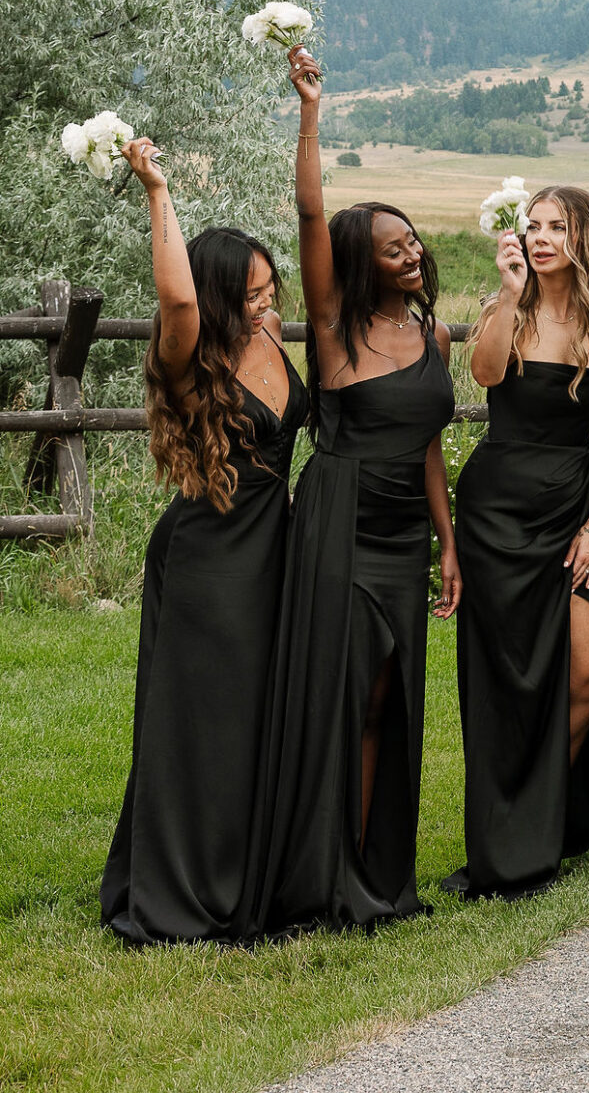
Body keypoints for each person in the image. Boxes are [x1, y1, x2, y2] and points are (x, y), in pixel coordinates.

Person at [246, 47, 459, 935]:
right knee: (332, 700)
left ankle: (373, 869)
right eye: (393, 246)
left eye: (413, 239)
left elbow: (429, 449)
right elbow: (309, 211)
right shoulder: (334, 333)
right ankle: (315, 872)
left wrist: (449, 544)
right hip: (337, 523)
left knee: (387, 697)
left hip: (407, 536)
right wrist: (310, 111)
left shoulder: (433, 332)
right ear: (361, 263)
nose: (411, 252)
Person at [100, 140, 306, 944]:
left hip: (271, 553)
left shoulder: (271, 344)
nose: (263, 302)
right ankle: (188, 888)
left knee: (258, 718)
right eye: (249, 292)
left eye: (268, 288)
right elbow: (178, 304)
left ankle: (250, 877)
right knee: (206, 722)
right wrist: (157, 188)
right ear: (220, 292)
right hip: (207, 559)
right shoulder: (189, 355)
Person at [451, 183, 589, 898]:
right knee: (505, 686)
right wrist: (509, 287)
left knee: (586, 674)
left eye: (558, 226)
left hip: (567, 517)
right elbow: (486, 375)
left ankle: (539, 813)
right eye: (534, 225)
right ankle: (516, 827)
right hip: (497, 515)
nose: (543, 236)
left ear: (584, 237)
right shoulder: (505, 311)